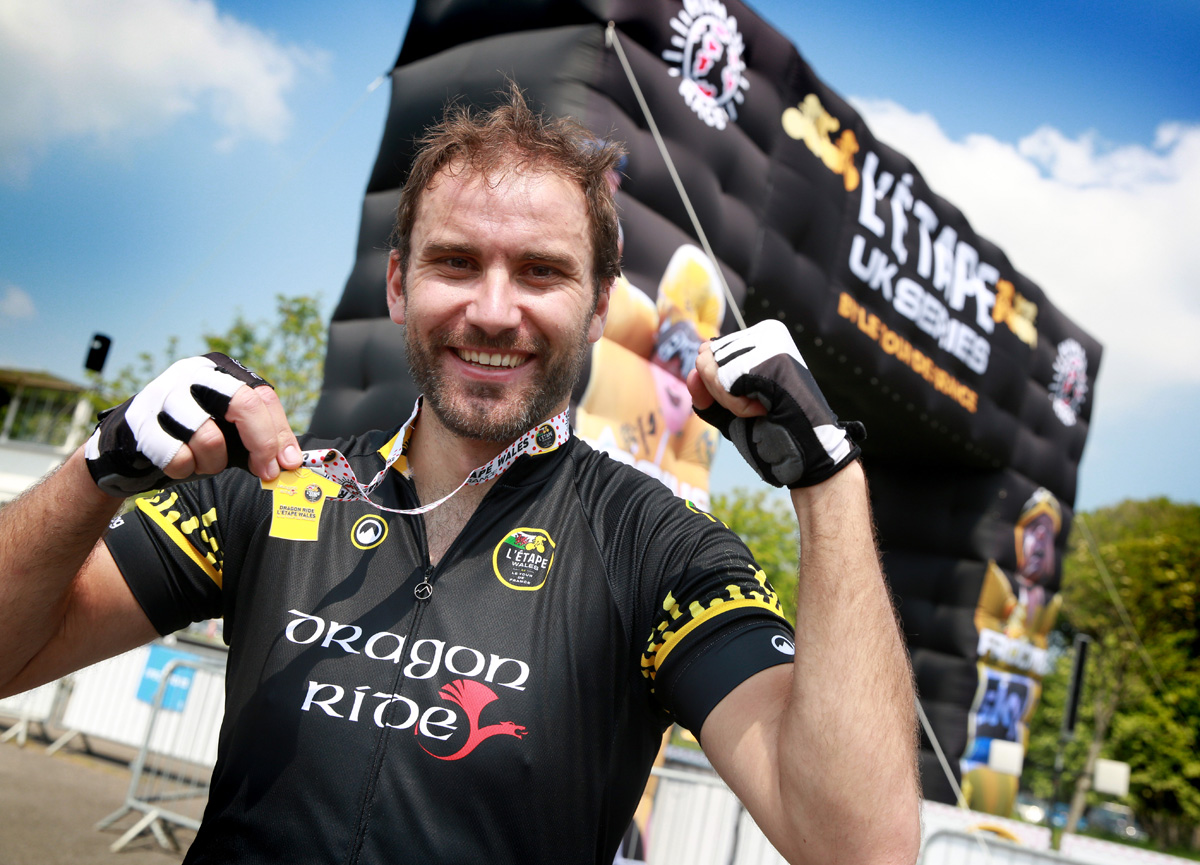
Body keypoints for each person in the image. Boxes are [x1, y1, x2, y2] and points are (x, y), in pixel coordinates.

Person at [0, 88, 920, 864]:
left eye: (541, 272)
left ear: (599, 308)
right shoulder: (277, 483)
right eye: (455, 262)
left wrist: (829, 481)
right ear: (398, 284)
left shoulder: (659, 551)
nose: (492, 309)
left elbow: (859, 849)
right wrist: (97, 469)